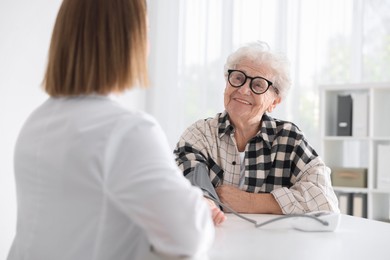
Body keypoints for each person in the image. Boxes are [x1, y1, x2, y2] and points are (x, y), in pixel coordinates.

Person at [7, 0, 214, 259]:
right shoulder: (126, 131)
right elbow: (190, 237)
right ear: (129, 41)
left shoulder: (36, 121)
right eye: (146, 30)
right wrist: (198, 202)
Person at [174, 42, 339, 224]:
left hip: (274, 246)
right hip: (214, 240)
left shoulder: (289, 138)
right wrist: (204, 202)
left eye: (258, 85)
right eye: (238, 78)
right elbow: (189, 187)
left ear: (274, 102)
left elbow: (326, 200)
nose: (243, 89)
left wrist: (252, 202)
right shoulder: (199, 134)